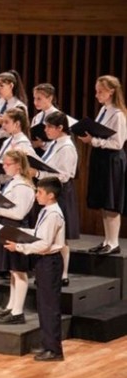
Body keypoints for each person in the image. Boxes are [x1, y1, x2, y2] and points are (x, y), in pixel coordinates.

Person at [5, 177, 66, 361]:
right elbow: (38, 234)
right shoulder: (45, 211)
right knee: (44, 305)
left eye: (39, 192)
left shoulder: (54, 214)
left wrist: (20, 247)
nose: (36, 195)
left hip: (50, 262)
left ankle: (54, 350)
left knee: (49, 307)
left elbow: (45, 244)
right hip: (43, 262)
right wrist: (16, 234)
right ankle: (48, 345)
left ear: (51, 195)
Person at [76, 75, 127, 255]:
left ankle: (113, 242)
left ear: (111, 91)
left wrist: (94, 141)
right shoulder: (104, 110)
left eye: (100, 91)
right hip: (101, 158)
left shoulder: (118, 114)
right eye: (96, 91)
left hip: (112, 159)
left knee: (112, 202)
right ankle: (107, 240)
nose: (97, 95)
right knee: (104, 202)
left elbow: (118, 143)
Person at [0, 150, 35, 324]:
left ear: (18, 165)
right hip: (8, 227)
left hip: (17, 229)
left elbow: (19, 213)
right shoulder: (14, 183)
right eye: (3, 163)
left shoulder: (24, 186)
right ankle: (11, 307)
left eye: (7, 164)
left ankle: (18, 312)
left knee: (19, 271)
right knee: (13, 271)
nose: (4, 167)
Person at [35, 111, 79, 286]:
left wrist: (38, 172)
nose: (45, 130)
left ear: (60, 128)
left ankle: (63, 273)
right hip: (50, 190)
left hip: (61, 192)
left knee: (62, 234)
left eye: (49, 127)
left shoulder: (67, 147)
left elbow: (65, 175)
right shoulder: (55, 144)